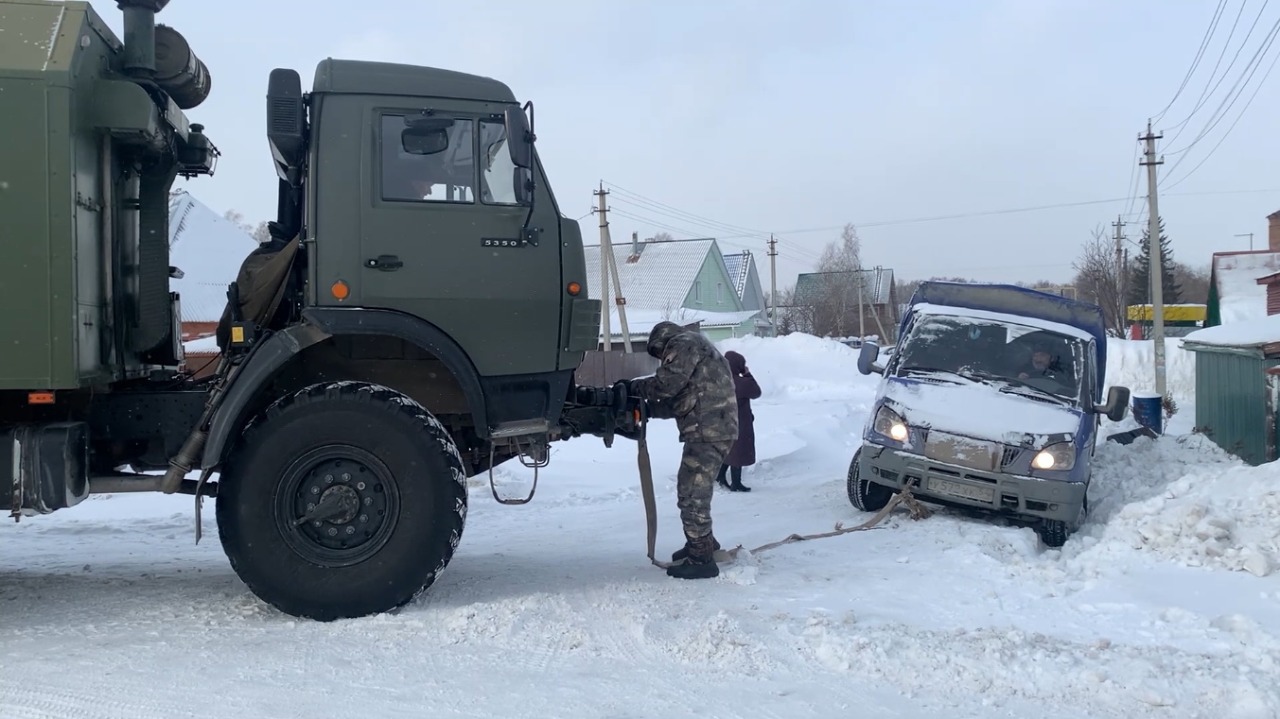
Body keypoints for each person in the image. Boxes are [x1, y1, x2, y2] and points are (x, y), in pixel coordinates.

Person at [620, 321, 739, 580]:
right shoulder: (699, 347)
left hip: (708, 431)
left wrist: (631, 388)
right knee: (694, 491)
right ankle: (703, 543)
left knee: (692, 493)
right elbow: (680, 401)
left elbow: (665, 386)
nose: (663, 359)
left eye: (660, 354)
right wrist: (647, 410)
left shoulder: (683, 342)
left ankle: (701, 560)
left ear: (664, 341)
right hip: (712, 427)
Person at [717, 350, 761, 492]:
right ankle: (736, 483)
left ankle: (720, 476)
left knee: (728, 450)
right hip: (739, 422)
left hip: (722, 422)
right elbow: (756, 392)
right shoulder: (740, 383)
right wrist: (747, 373)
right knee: (738, 451)